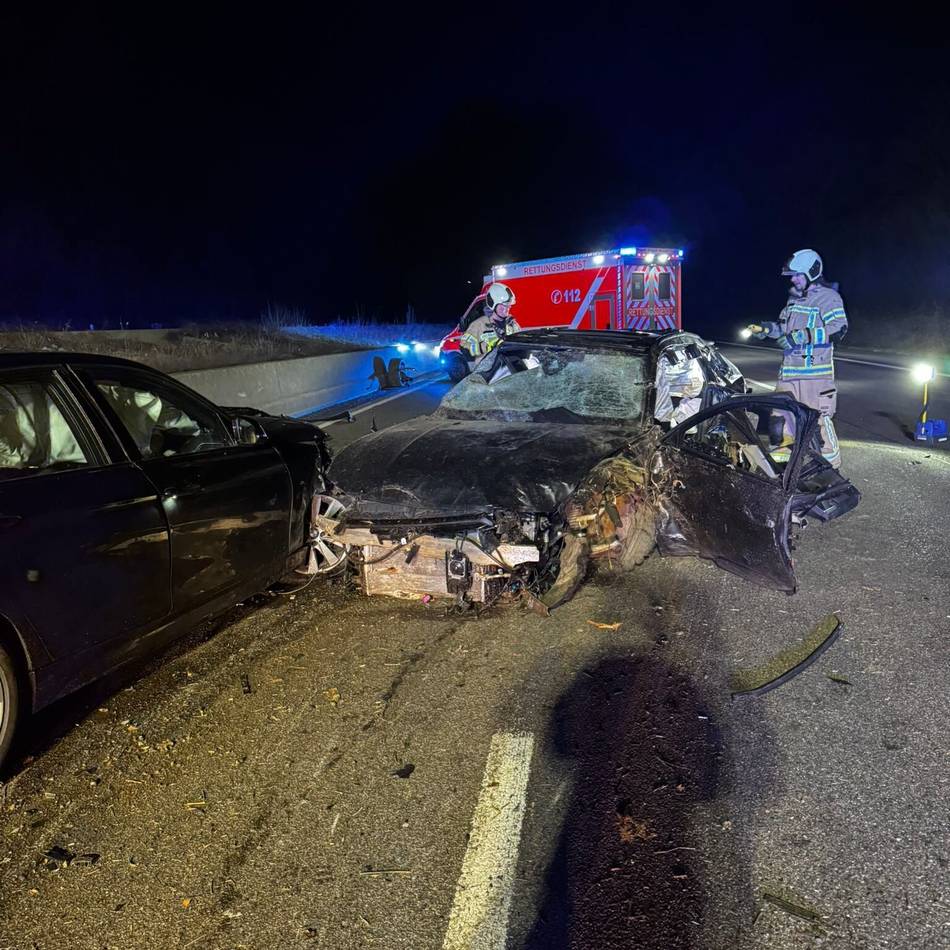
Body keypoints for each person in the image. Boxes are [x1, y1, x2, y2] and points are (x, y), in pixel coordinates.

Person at [747, 248, 848, 468]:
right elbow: (783, 333)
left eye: (797, 274)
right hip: (789, 376)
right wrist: (766, 330)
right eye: (791, 275)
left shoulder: (828, 298)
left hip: (815, 377)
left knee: (817, 424)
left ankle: (830, 471)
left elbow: (839, 329)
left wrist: (802, 336)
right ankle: (786, 471)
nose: (793, 279)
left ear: (812, 272)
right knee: (780, 423)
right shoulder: (793, 302)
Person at [460, 282, 522, 360]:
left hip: (509, 368)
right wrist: (487, 346)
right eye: (503, 305)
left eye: (508, 305)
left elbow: (521, 343)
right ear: (492, 303)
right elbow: (464, 349)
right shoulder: (479, 325)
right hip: (487, 370)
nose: (507, 309)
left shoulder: (512, 324)